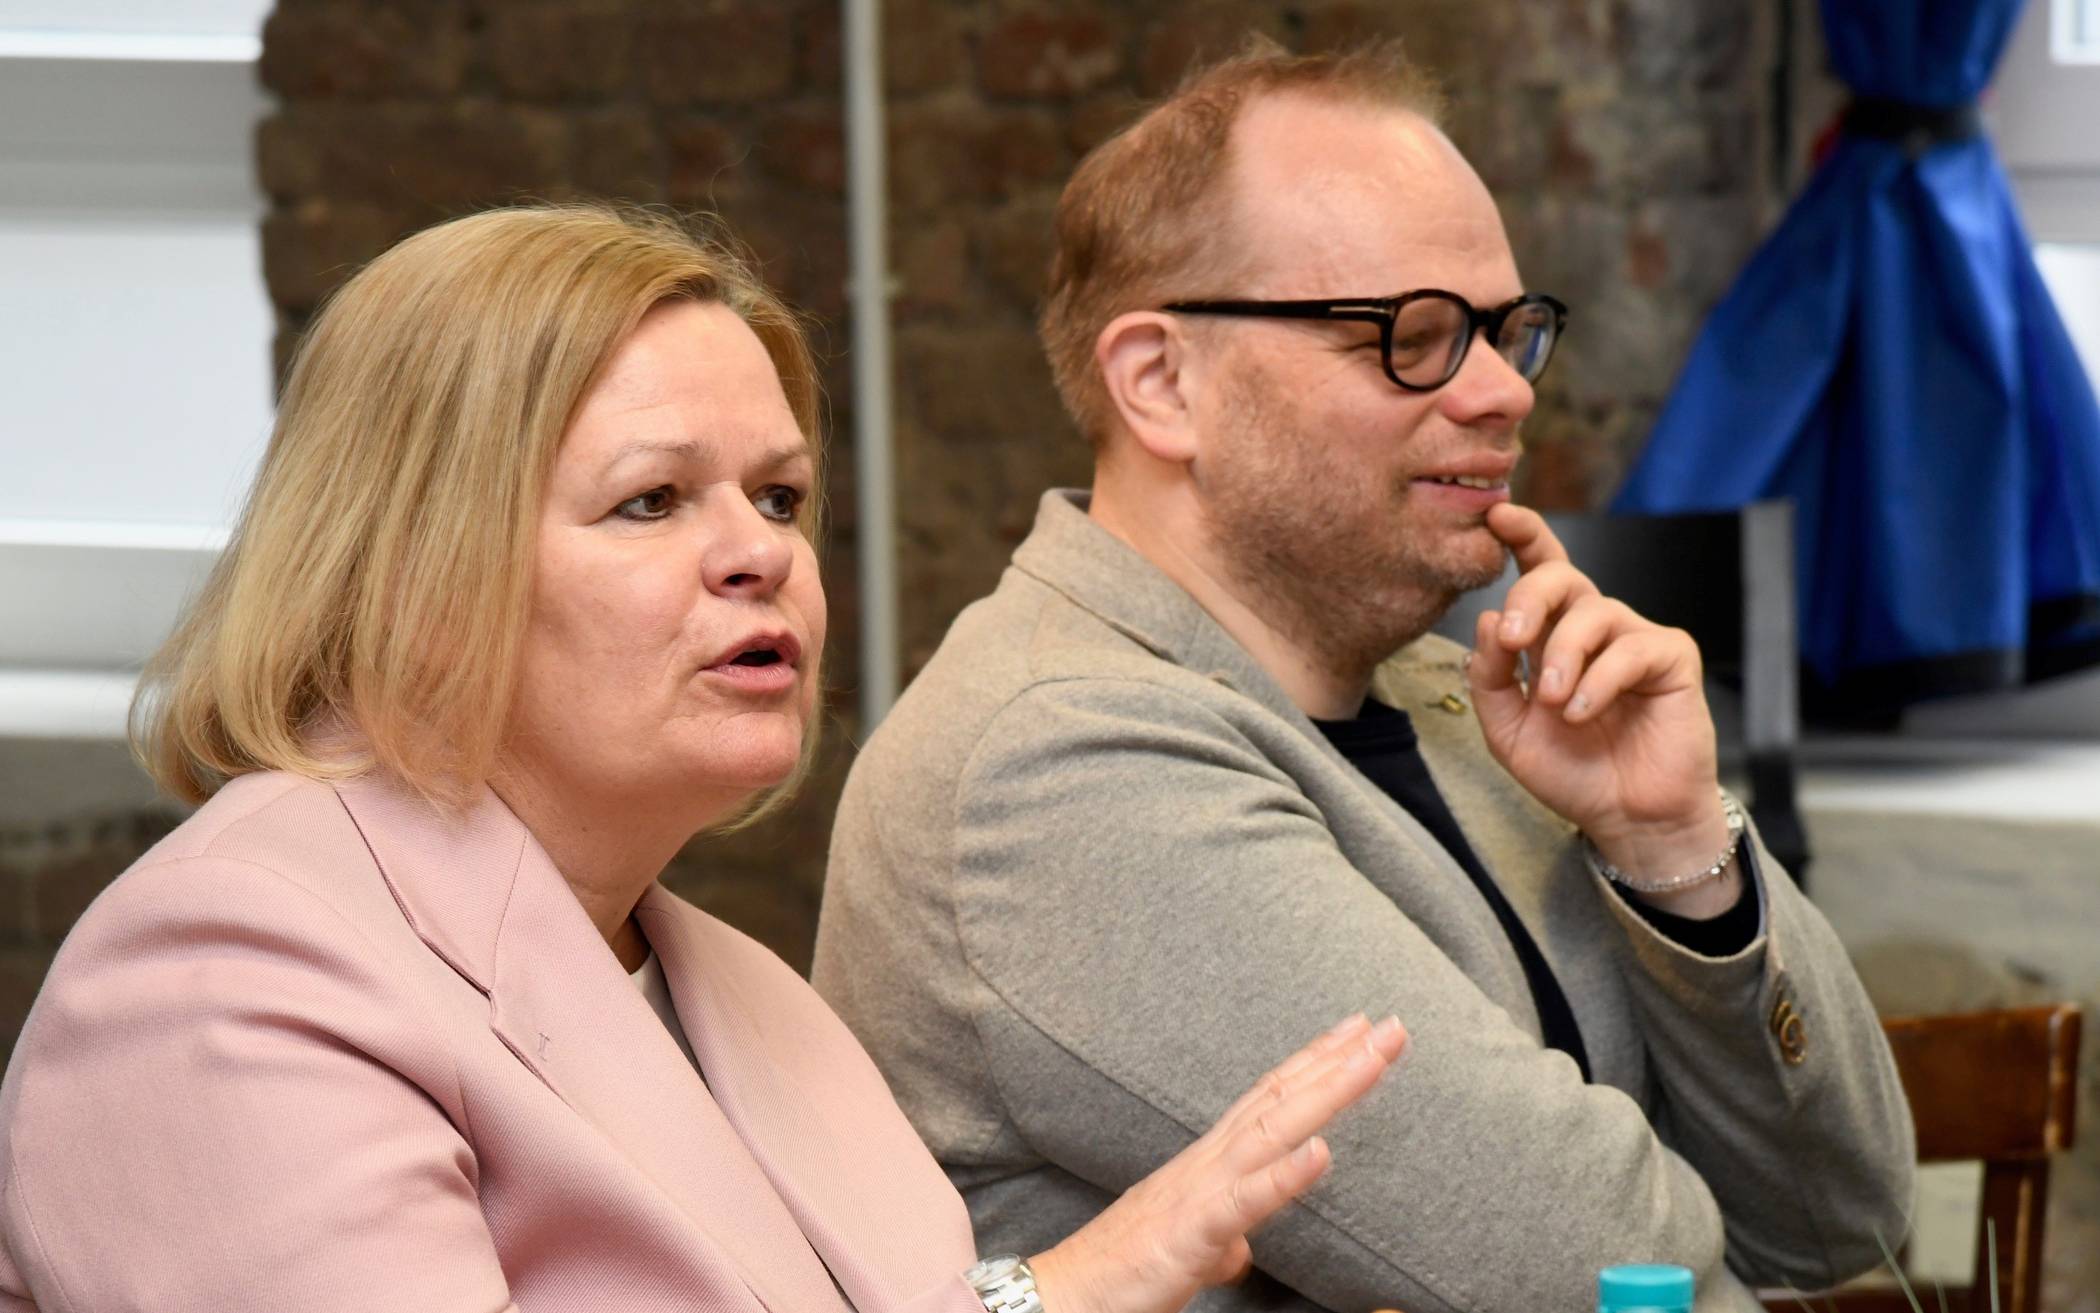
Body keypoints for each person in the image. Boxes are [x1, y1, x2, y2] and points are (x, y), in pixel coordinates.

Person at [0, 205, 1408, 1313]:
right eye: (653, 500)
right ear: (413, 574)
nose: (763, 553)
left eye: (779, 495)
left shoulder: (745, 991)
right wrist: (1064, 1292)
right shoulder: (223, 973)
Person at [812, 39, 1916, 1313]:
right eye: (1416, 334)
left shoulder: (1467, 703)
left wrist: (1676, 848)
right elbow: (1587, 1259)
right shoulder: (1049, 763)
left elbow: (1845, 1219)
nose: (1504, 391)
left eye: (1511, 331)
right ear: (1163, 383)